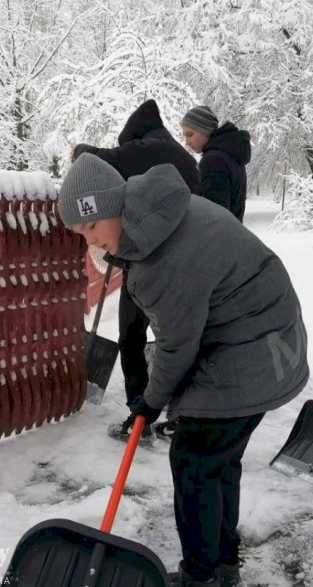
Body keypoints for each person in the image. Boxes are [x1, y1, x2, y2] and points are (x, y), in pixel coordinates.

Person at [57, 153, 309, 587]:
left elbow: (176, 345)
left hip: (250, 352)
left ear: (111, 207)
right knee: (217, 461)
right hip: (268, 340)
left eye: (90, 230)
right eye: (82, 237)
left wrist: (150, 402)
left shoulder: (162, 262)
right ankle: (222, 565)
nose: (90, 244)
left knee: (194, 464)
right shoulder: (164, 213)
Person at [71, 99, 201, 441]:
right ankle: (179, 415)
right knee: (178, 338)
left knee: (132, 336)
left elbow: (104, 162)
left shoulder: (149, 148)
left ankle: (139, 415)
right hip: (185, 261)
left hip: (150, 261)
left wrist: (80, 151)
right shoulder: (182, 156)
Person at [180, 105, 251, 223]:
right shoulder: (230, 155)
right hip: (233, 236)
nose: (187, 142)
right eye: (185, 136)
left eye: (190, 134)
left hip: (217, 238)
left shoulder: (213, 161)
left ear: (204, 130)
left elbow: (213, 216)